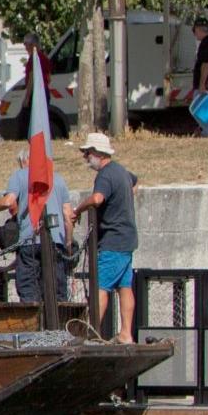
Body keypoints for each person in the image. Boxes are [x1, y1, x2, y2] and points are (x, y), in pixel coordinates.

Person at [68, 131, 140, 343]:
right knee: (124, 287)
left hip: (112, 241)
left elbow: (98, 199)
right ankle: (126, 333)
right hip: (127, 239)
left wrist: (78, 210)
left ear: (98, 153)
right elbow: (134, 183)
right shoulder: (122, 172)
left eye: (87, 153)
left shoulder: (106, 174)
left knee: (100, 286)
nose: (85, 157)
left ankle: (91, 334)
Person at [0, 164, 74, 307]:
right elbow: (68, 217)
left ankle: (33, 327)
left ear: (23, 161)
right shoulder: (58, 179)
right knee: (57, 291)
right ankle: (59, 326)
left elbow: (8, 201)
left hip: (29, 241)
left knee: (29, 290)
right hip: (56, 242)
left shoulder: (19, 176)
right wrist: (68, 242)